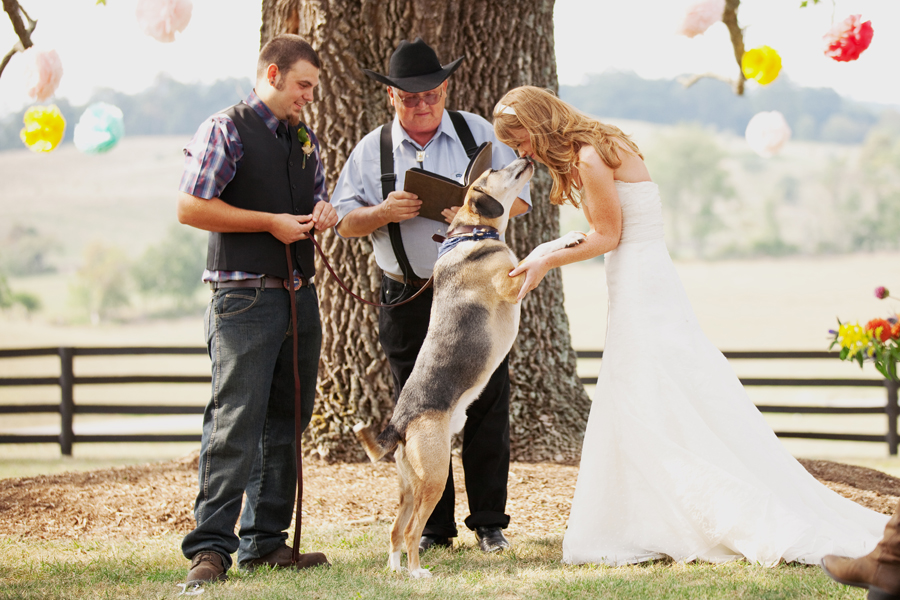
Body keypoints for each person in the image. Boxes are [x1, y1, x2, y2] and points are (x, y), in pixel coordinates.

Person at [492, 85, 888, 567]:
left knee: (644, 389)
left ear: (537, 125)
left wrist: (545, 262)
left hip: (638, 277)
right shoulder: (604, 142)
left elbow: (607, 235)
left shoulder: (591, 157)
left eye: (521, 141)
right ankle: (656, 510)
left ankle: (681, 511)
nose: (522, 153)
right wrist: (542, 252)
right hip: (646, 272)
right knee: (652, 387)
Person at [331, 38, 530, 553]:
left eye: (430, 95)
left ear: (445, 89)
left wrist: (470, 215)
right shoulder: (371, 150)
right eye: (408, 97)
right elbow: (343, 221)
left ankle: (489, 522)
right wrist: (382, 214)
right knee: (421, 409)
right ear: (391, 98)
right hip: (406, 295)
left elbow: (521, 200)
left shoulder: (476, 133)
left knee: (486, 400)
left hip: (472, 295)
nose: (421, 105)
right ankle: (434, 530)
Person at [175, 34, 337, 584]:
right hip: (242, 299)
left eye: (313, 87)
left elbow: (313, 200)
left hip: (299, 296)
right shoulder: (225, 128)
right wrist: (269, 222)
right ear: (272, 74)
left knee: (288, 422)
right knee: (234, 425)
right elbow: (190, 206)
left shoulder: (305, 139)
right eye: (302, 85)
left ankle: (265, 543)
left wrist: (323, 212)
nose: (309, 97)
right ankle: (210, 551)